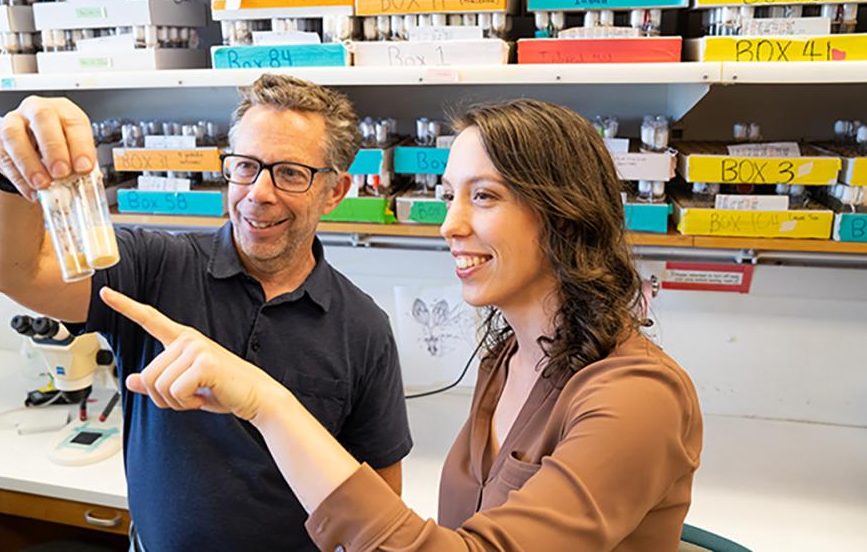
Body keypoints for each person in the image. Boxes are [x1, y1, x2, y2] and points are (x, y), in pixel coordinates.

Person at [100, 99, 704, 552]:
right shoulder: (509, 361)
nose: (450, 224)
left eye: (485, 196)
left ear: (565, 214)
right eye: (448, 195)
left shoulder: (637, 397)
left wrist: (267, 403)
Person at [0, 74, 413, 551]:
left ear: (335, 191)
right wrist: (0, 167)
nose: (259, 193)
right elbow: (11, 271)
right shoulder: (154, 268)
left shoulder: (363, 328)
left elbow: (379, 506)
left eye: (290, 173)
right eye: (245, 166)